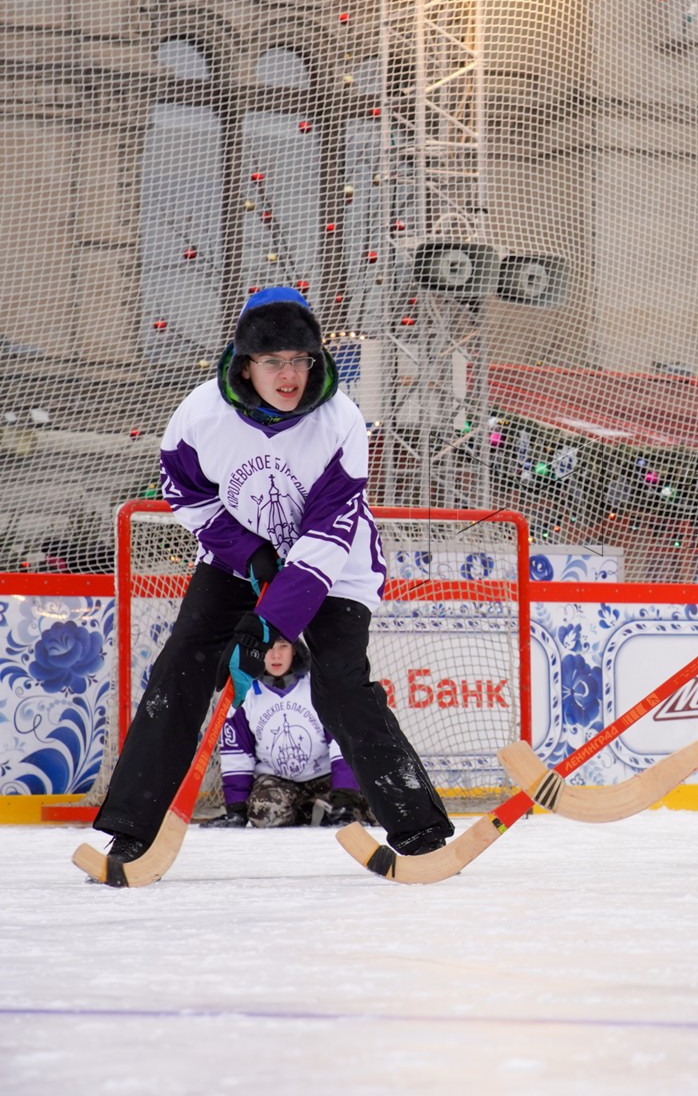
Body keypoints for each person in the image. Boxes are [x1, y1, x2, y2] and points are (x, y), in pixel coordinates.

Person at [90, 287, 454, 867]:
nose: (289, 376)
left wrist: (273, 619)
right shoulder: (200, 415)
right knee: (181, 664)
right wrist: (251, 555)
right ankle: (131, 828)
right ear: (246, 363)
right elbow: (186, 494)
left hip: (332, 569)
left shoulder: (341, 421)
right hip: (239, 557)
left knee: (340, 682)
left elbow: (331, 531)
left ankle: (418, 830)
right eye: (273, 361)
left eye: (300, 360)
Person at [213, 636, 374, 829]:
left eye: (283, 647)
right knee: (263, 814)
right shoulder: (243, 692)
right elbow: (237, 754)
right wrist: (236, 809)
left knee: (369, 810)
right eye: (268, 648)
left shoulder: (318, 685)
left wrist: (344, 797)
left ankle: (316, 808)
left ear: (295, 650)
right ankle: (311, 811)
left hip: (325, 777)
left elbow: (341, 743)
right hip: (275, 780)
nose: (276, 655)